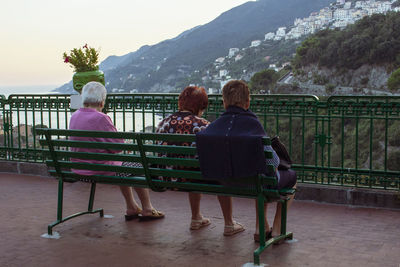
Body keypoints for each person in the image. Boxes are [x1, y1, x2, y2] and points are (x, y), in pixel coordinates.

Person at [196, 80, 296, 242]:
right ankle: (275, 228)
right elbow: (273, 163)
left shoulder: (213, 127)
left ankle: (262, 227)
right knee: (286, 176)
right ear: (248, 102)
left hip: (222, 181)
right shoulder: (252, 124)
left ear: (224, 102)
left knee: (258, 173)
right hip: (253, 183)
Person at [69, 81, 164, 221]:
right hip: (100, 170)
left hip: (79, 169)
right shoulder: (101, 118)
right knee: (138, 165)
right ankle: (148, 208)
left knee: (122, 165)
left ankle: (132, 207)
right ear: (102, 102)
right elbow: (118, 147)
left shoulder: (75, 115)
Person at [156, 86, 244, 235]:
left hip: (168, 177)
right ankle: (229, 224)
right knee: (218, 171)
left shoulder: (163, 123)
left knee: (191, 168)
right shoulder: (203, 125)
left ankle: (196, 217)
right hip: (196, 178)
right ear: (200, 105)